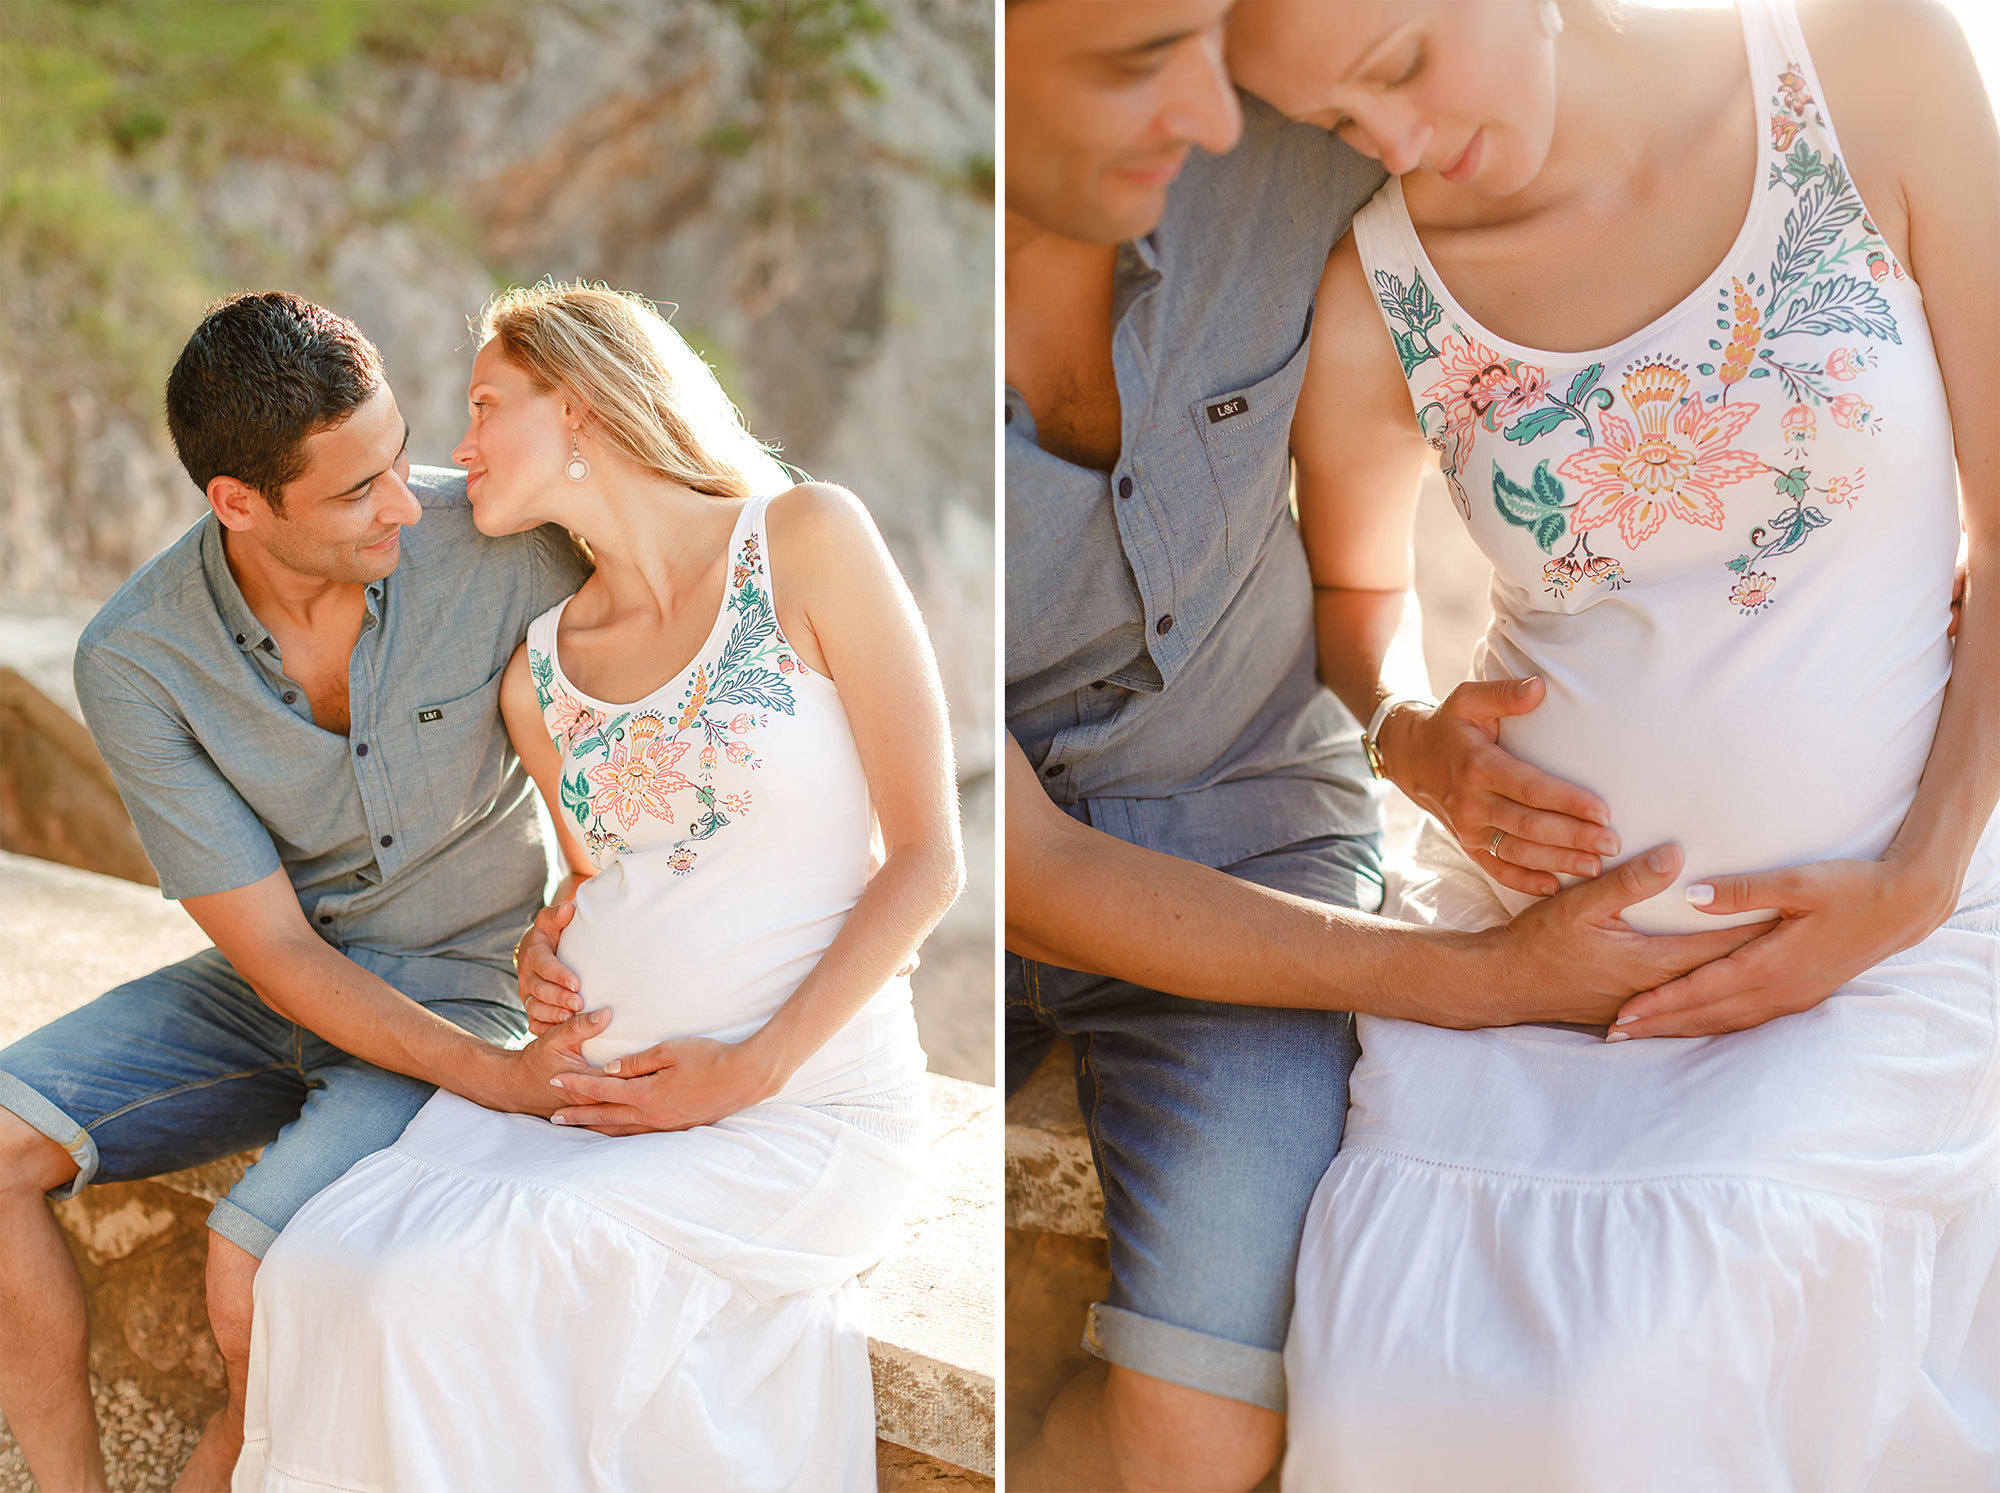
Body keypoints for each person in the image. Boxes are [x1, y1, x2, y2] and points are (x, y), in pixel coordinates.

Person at [1221, 0, 2000, 1484]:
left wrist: (1917, 880)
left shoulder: (1867, 67)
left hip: (1892, 929)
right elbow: (1354, 596)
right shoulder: (1381, 287)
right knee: (1387, 1370)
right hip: (1530, 968)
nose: (1391, 144)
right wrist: (1410, 738)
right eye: (1337, 122)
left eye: (1394, 68)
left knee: (1649, 1366)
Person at [1002, 3, 1764, 1488]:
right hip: (975, 866)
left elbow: (1605, 127)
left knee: (1198, 1435)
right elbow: (1019, 870)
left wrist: (1842, 520)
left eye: (1194, 50)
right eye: (1127, 66)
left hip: (1255, 812)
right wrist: (1480, 979)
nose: (1207, 116)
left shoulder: (1305, 121)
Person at [231, 282, 963, 1492]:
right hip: (584, 1097)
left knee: (433, 1291)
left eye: (483, 404)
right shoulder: (542, 671)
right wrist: (544, 951)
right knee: (317, 1266)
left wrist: (750, 1066)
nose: (458, 450)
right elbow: (604, 875)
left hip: (796, 1108)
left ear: (577, 403)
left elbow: (931, 859)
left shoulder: (805, 540)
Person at [0, 292, 603, 1493]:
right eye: (351, 491)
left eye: (395, 456)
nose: (403, 502)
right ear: (236, 502)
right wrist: (501, 1084)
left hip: (461, 976)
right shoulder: (136, 657)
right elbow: (270, 947)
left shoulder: (504, 540)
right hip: (266, 979)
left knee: (258, 1262)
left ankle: (214, 1474)